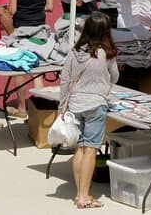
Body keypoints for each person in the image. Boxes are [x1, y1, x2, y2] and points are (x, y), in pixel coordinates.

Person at [60, 11, 119, 210]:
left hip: (75, 104)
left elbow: (65, 79)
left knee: (80, 148)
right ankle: (84, 196)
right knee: (91, 150)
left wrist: (62, 106)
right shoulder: (107, 53)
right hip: (96, 104)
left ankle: (79, 193)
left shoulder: (74, 51)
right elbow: (115, 77)